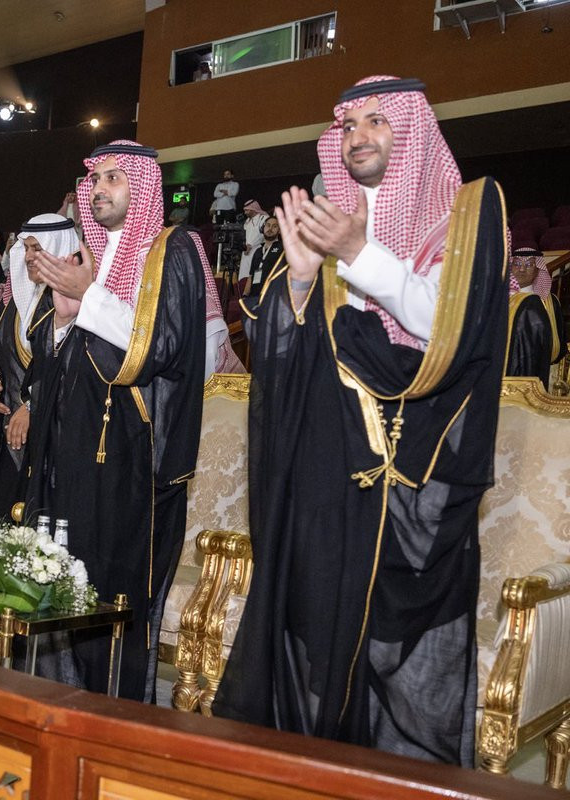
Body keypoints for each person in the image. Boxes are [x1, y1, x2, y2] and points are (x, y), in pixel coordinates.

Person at [214, 77, 509, 767]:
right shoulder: (328, 228)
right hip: (323, 467)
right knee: (314, 623)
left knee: (389, 650)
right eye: (348, 125)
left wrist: (357, 254)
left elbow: (448, 326)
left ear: (411, 130)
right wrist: (298, 279)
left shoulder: (463, 217)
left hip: (412, 476)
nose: (359, 135)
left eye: (377, 120)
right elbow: (283, 355)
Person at [27, 140, 209, 702]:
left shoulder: (172, 251)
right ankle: (57, 711)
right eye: (95, 179)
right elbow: (53, 361)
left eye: (114, 177)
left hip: (135, 460)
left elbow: (163, 346)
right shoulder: (87, 258)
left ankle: (114, 720)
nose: (99, 188)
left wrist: (89, 298)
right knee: (62, 582)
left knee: (114, 595)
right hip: (72, 452)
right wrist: (64, 316)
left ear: (143, 186)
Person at [0, 214, 72, 530]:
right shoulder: (16, 301)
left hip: (51, 432)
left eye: (37, 249)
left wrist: (32, 407)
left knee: (35, 524)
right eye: (26, 248)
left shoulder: (73, 304)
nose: (29, 256)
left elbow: (70, 367)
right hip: (6, 428)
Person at [505, 247, 564, 389]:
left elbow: (559, 338)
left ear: (538, 270)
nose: (522, 269)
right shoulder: (500, 299)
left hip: (540, 370)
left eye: (529, 264)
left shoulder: (550, 302)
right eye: (517, 264)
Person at [244, 216, 283, 299]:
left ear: (279, 230)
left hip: (272, 296)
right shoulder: (258, 251)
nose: (270, 228)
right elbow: (250, 276)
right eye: (268, 225)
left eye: (274, 226)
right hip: (254, 296)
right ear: (263, 228)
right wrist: (245, 295)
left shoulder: (282, 248)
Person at [237, 199, 269, 283]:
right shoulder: (247, 221)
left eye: (247, 210)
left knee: (255, 275)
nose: (245, 213)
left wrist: (251, 245)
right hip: (246, 251)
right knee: (244, 275)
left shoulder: (263, 218)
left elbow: (264, 234)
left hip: (258, 250)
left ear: (253, 209)